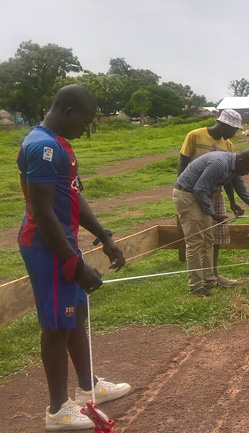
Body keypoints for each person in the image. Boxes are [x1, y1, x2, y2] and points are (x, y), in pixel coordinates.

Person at [17, 85, 132, 431]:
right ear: (68, 112)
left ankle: (88, 387)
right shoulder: (42, 148)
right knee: (56, 325)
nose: (88, 127)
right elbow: (43, 212)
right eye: (85, 120)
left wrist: (105, 237)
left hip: (63, 242)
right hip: (46, 246)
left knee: (76, 314)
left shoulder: (62, 146)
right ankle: (57, 410)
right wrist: (73, 263)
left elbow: (74, 197)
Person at [173, 149, 249, 296]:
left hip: (200, 196)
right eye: (246, 169)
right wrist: (213, 214)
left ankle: (209, 279)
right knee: (195, 241)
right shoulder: (219, 164)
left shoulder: (235, 167)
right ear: (241, 162)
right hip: (186, 195)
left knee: (208, 239)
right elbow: (199, 188)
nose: (247, 173)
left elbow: (242, 190)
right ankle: (195, 285)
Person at [178, 109, 243, 289]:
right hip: (194, 192)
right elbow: (183, 164)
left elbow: (229, 176)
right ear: (224, 125)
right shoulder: (194, 136)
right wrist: (183, 193)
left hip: (215, 194)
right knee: (196, 239)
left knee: (213, 237)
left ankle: (212, 275)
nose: (234, 134)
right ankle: (197, 282)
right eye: (233, 129)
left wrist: (232, 201)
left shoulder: (228, 144)